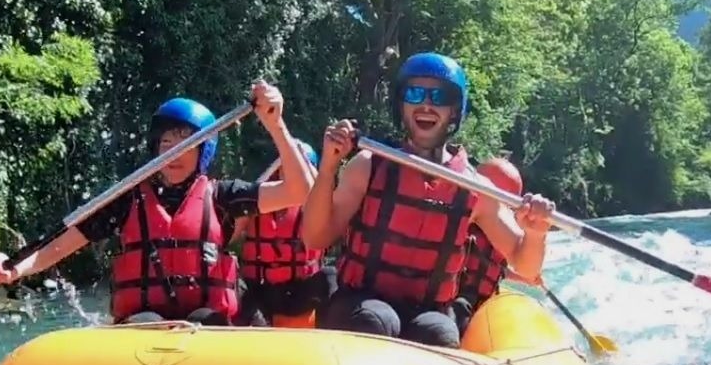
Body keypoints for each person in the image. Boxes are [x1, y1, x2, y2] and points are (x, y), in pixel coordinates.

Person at [0, 81, 315, 325]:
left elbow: (298, 192)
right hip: (144, 328)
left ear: (203, 151)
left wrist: (275, 123)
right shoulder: (126, 199)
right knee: (146, 320)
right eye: (167, 142)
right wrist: (15, 269)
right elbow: (58, 247)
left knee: (205, 319)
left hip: (207, 329)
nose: (175, 153)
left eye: (186, 144)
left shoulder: (223, 196)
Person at [300, 52, 556, 348]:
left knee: (439, 333)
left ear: (454, 111)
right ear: (401, 105)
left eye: (440, 96)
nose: (426, 104)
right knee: (376, 319)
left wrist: (535, 233)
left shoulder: (474, 187)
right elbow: (315, 237)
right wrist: (329, 167)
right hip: (359, 302)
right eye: (415, 93)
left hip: (426, 312)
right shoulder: (368, 165)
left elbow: (525, 265)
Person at [234, 140, 337, 327]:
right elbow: (231, 234)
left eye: (300, 170)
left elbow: (325, 212)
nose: (293, 175)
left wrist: (315, 178)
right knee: (233, 280)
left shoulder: (316, 207)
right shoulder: (257, 202)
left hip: (300, 292)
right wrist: (249, 196)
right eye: (288, 168)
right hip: (260, 290)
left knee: (330, 277)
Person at [451, 156, 541, 330]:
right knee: (461, 309)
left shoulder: (505, 230)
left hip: (485, 305)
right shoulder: (463, 222)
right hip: (457, 300)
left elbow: (497, 268)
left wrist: (523, 277)